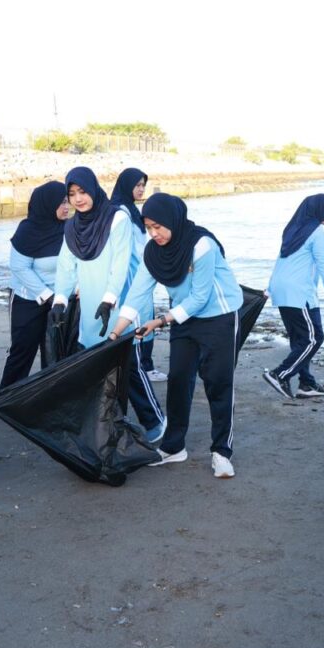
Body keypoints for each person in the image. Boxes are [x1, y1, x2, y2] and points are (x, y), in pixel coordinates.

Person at [109, 193, 243, 479]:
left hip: (218, 316)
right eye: (148, 227)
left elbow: (200, 297)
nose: (154, 233)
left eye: (158, 226)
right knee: (179, 381)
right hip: (183, 320)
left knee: (218, 384)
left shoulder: (201, 245)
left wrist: (159, 321)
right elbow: (138, 291)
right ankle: (173, 447)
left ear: (173, 220)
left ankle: (221, 452)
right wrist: (117, 330)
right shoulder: (154, 252)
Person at [52, 167, 165, 440]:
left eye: (83, 192)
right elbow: (66, 266)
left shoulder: (117, 219)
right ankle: (112, 423)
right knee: (101, 369)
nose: (78, 199)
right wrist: (59, 300)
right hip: (92, 308)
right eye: (72, 194)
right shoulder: (72, 226)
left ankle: (157, 423)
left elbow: (121, 263)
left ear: (94, 189)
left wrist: (109, 298)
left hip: (120, 306)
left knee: (131, 368)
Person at [264, 193, 324, 400]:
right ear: (319, 212)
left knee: (299, 339)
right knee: (314, 339)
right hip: (298, 291)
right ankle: (280, 374)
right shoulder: (318, 233)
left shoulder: (293, 229)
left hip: (286, 291)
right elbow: (323, 263)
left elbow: (282, 260)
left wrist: (269, 289)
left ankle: (306, 383)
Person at [0, 181, 69, 388]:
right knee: (23, 349)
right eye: (61, 202)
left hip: (60, 300)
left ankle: (49, 396)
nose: (67, 206)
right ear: (47, 204)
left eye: (67, 201)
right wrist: (47, 294)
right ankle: (8, 394)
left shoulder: (70, 228)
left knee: (55, 351)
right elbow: (20, 268)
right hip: (27, 298)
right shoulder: (27, 231)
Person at [110, 167, 166, 383]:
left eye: (143, 185)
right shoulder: (121, 212)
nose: (142, 189)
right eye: (137, 185)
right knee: (138, 318)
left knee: (138, 317)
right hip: (131, 274)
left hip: (138, 271)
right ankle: (144, 366)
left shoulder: (130, 209)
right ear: (127, 185)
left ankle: (141, 364)